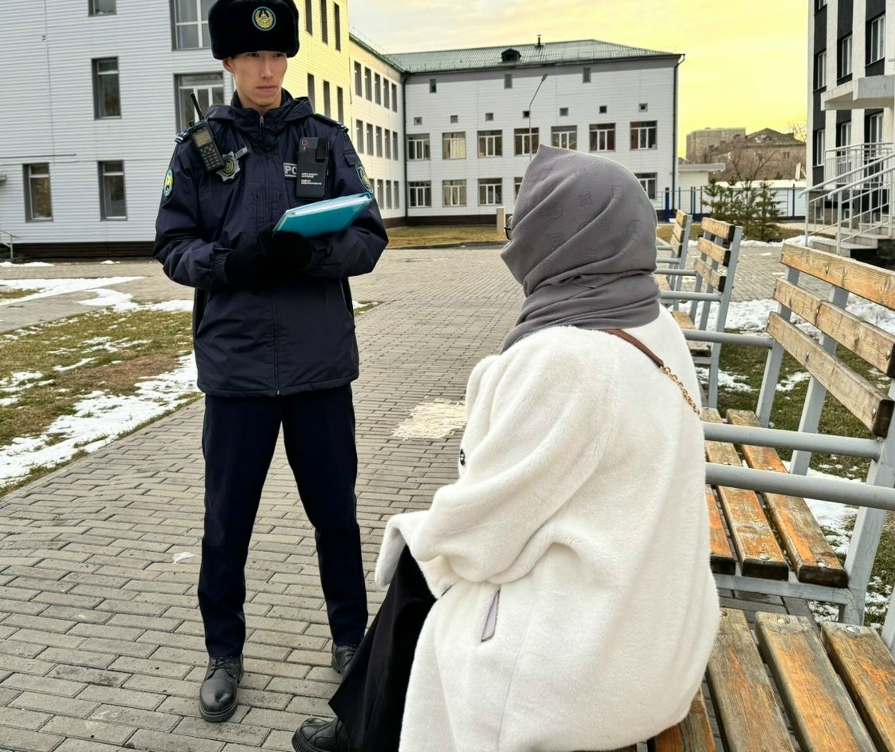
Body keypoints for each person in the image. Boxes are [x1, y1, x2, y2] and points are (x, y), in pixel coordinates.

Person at [291, 145, 719, 752]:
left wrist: (420, 539)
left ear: (556, 239)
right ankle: (355, 725)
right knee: (430, 556)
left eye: (528, 224)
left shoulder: (566, 357)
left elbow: (486, 535)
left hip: (592, 667)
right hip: (658, 629)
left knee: (426, 568)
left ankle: (363, 737)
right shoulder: (652, 319)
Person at [154, 0, 388, 723]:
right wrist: (229, 264)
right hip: (238, 372)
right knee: (228, 522)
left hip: (319, 369)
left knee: (336, 516)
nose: (267, 67)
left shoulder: (325, 141)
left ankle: (350, 643)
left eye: (277, 52)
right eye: (252, 54)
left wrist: (309, 255)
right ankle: (224, 654)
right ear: (228, 61)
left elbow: (370, 239)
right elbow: (172, 246)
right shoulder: (197, 151)